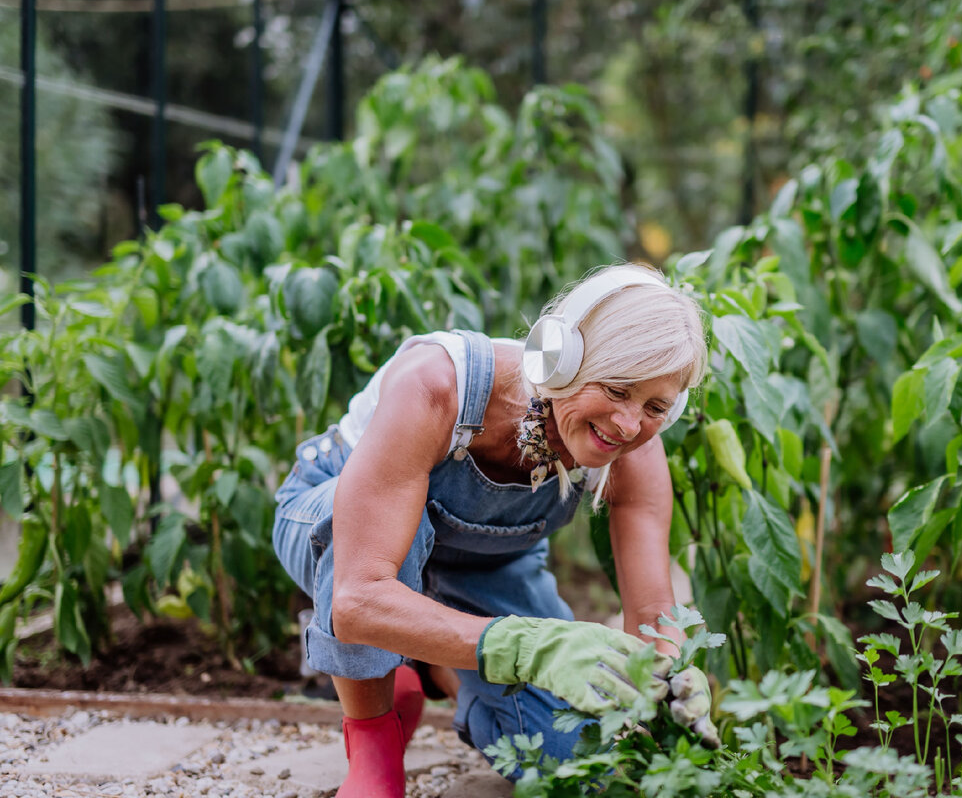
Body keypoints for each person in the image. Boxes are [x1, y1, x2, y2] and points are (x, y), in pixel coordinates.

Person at [272, 263, 716, 797]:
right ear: (562, 357)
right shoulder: (438, 385)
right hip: (342, 532)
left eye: (655, 406)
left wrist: (671, 677)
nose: (628, 424)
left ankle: (434, 668)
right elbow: (358, 598)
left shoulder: (635, 448)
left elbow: (650, 615)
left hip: (485, 563)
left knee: (576, 757)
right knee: (379, 543)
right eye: (618, 388)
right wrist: (532, 646)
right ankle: (373, 750)